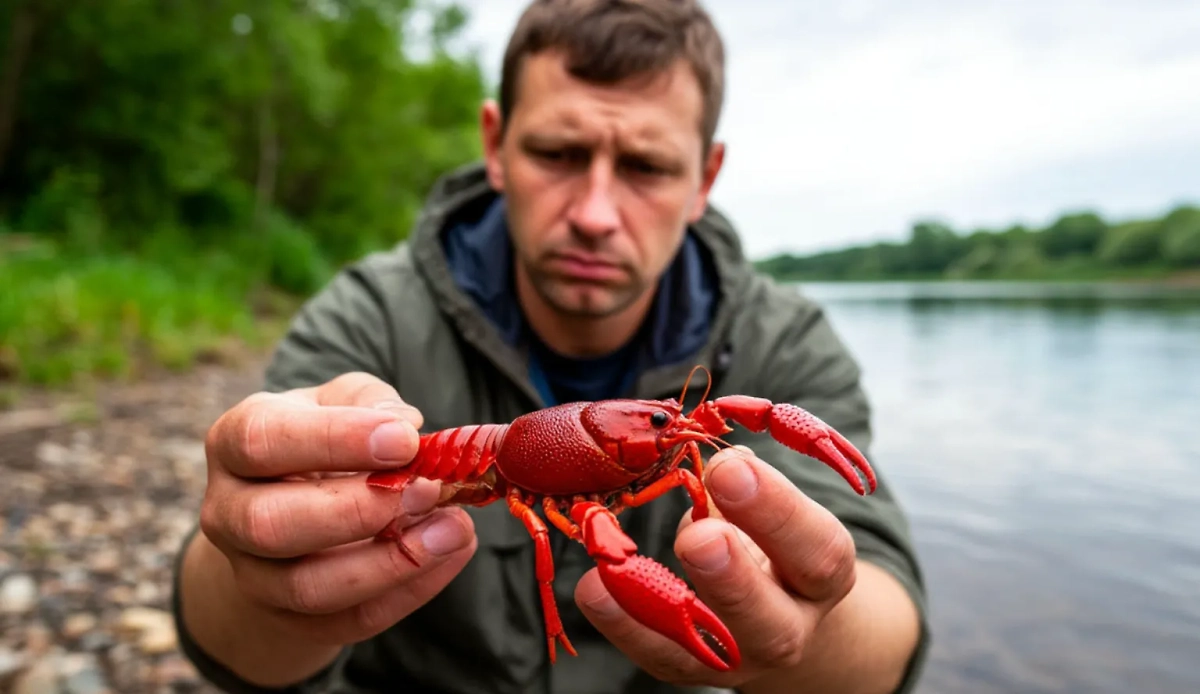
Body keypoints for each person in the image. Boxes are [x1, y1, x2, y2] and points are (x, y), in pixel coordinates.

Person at [171, 1, 930, 692]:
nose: (597, 213)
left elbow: (885, 614)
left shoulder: (783, 341)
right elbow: (234, 652)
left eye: (646, 166)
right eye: (560, 153)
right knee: (597, 534)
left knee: (694, 449)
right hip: (461, 477)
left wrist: (812, 640)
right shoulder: (366, 318)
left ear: (706, 177)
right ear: (496, 146)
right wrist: (259, 576)